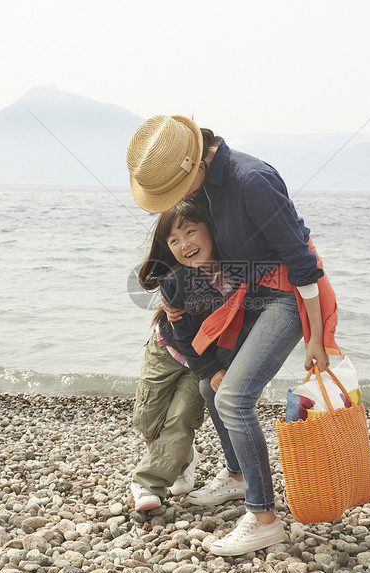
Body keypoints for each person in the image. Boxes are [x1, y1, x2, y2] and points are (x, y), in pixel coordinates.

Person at [127, 115, 340, 556]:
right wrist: (177, 293)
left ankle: (263, 517)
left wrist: (315, 337)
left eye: (173, 189)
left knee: (233, 397)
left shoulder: (251, 180)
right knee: (211, 383)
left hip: (284, 296)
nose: (177, 200)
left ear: (189, 167)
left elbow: (303, 264)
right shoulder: (205, 185)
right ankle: (238, 476)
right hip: (248, 297)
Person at [130, 197, 245, 512]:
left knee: (180, 419)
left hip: (201, 364)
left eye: (191, 232)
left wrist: (210, 370)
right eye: (174, 240)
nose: (184, 244)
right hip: (165, 351)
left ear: (211, 229)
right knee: (147, 420)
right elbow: (181, 331)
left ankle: (147, 484)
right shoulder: (175, 280)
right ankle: (183, 458)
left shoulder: (235, 272)